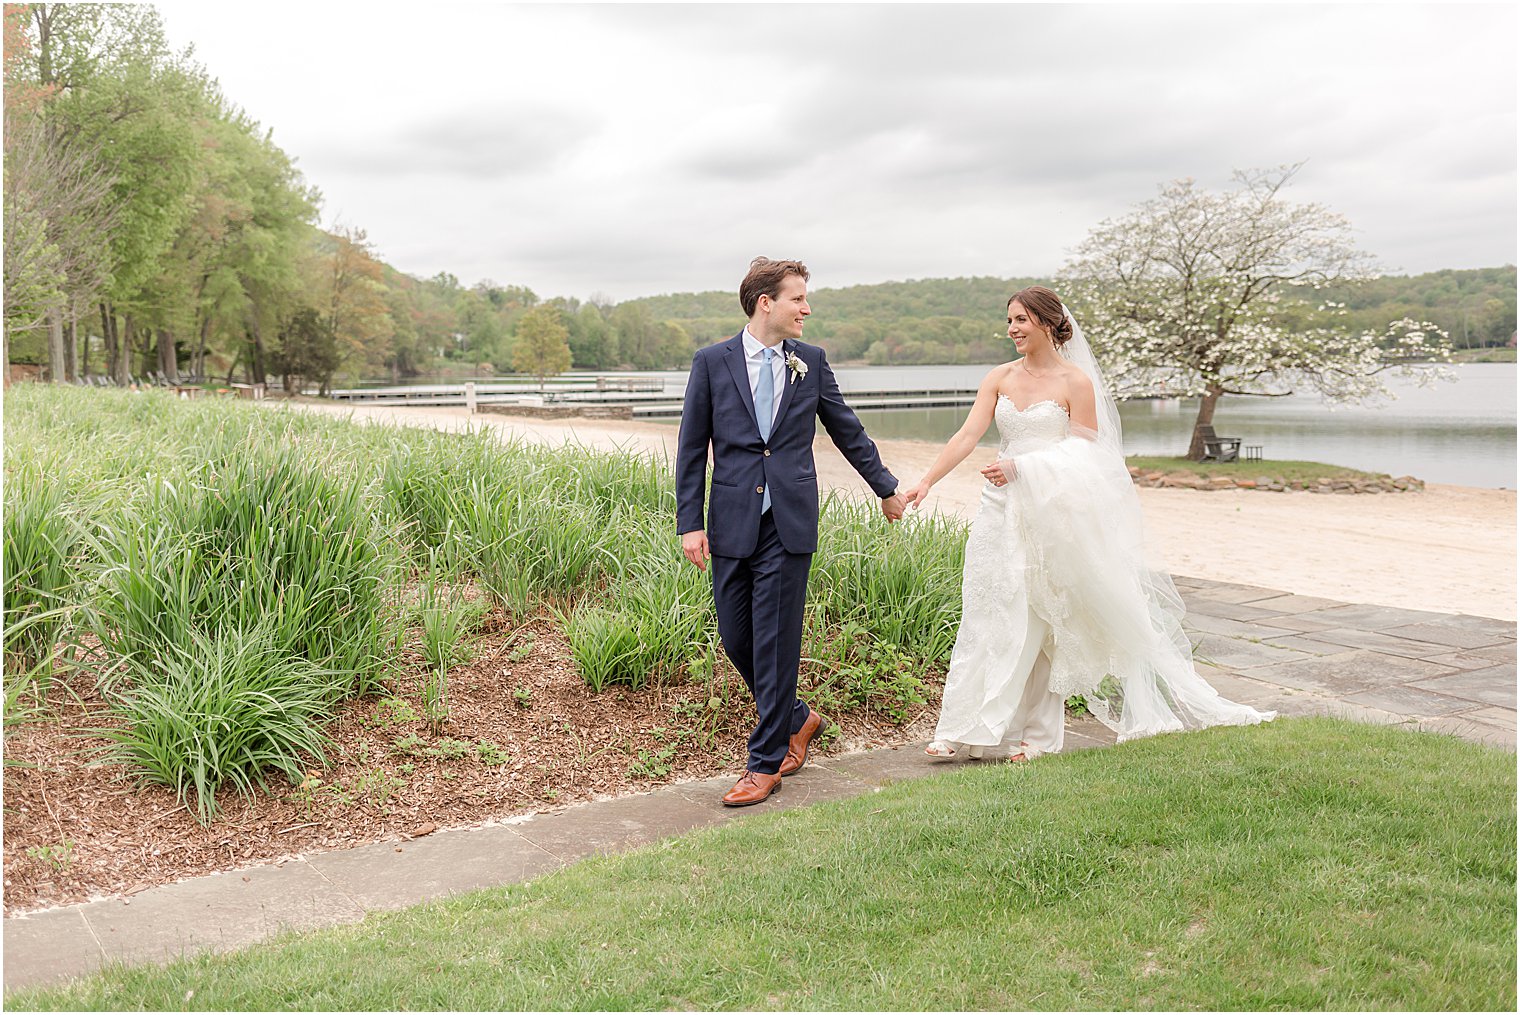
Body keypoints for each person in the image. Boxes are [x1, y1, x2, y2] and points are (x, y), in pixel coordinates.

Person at [902, 286, 1274, 761]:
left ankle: (1036, 738)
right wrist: (927, 481)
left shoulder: (1075, 382)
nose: (1012, 329)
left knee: (1044, 620)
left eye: (1020, 320)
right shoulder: (998, 377)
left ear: (1046, 322)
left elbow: (1091, 454)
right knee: (990, 613)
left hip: (1052, 512)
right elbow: (968, 433)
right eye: (1009, 321)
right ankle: (963, 728)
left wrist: (1025, 468)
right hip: (1001, 510)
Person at [677, 257, 906, 806]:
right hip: (731, 518)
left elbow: (846, 427)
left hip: (790, 520)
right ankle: (799, 719)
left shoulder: (812, 362)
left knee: (776, 641)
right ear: (766, 303)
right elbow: (691, 446)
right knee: (736, 636)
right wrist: (690, 523)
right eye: (798, 298)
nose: (807, 308)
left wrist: (885, 487)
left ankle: (765, 761)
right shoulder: (712, 362)